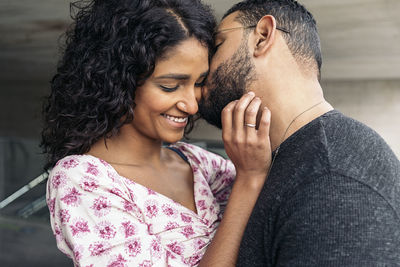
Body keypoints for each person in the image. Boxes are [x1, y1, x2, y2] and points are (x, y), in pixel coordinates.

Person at [41, 0, 271, 266]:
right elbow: (250, 188)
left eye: (198, 83)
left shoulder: (197, 163)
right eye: (170, 86)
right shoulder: (83, 180)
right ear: (118, 82)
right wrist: (250, 179)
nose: (192, 104)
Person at [199, 0, 400, 266]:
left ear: (262, 36)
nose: (204, 68)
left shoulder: (332, 179)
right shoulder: (291, 159)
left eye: (217, 46)